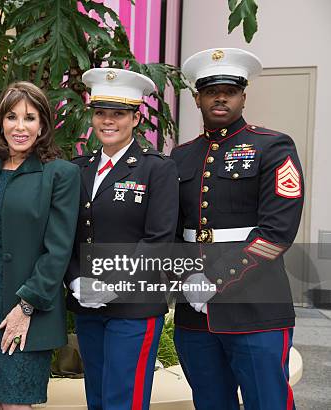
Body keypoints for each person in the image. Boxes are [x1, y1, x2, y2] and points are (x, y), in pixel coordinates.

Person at [171, 48, 304, 409]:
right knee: (210, 402)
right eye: (211, 90)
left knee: (267, 402)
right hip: (193, 312)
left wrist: (213, 280)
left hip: (255, 307)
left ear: (243, 96)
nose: (220, 97)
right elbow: (168, 231)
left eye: (229, 90)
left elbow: (276, 233)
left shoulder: (273, 146)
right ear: (197, 97)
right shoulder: (179, 157)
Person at [0, 81, 80, 409]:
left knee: (16, 402)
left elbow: (59, 250)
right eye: (11, 117)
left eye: (30, 117)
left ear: (43, 125)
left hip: (28, 305)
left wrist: (26, 307)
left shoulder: (60, 173)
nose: (20, 127)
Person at [64, 68, 179, 410]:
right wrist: (75, 281)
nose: (108, 121)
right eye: (101, 112)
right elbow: (65, 236)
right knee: (97, 399)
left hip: (133, 306)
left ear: (134, 118)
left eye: (118, 113)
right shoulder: (77, 169)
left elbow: (158, 239)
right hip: (86, 303)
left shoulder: (156, 168)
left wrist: (111, 284)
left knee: (123, 400)